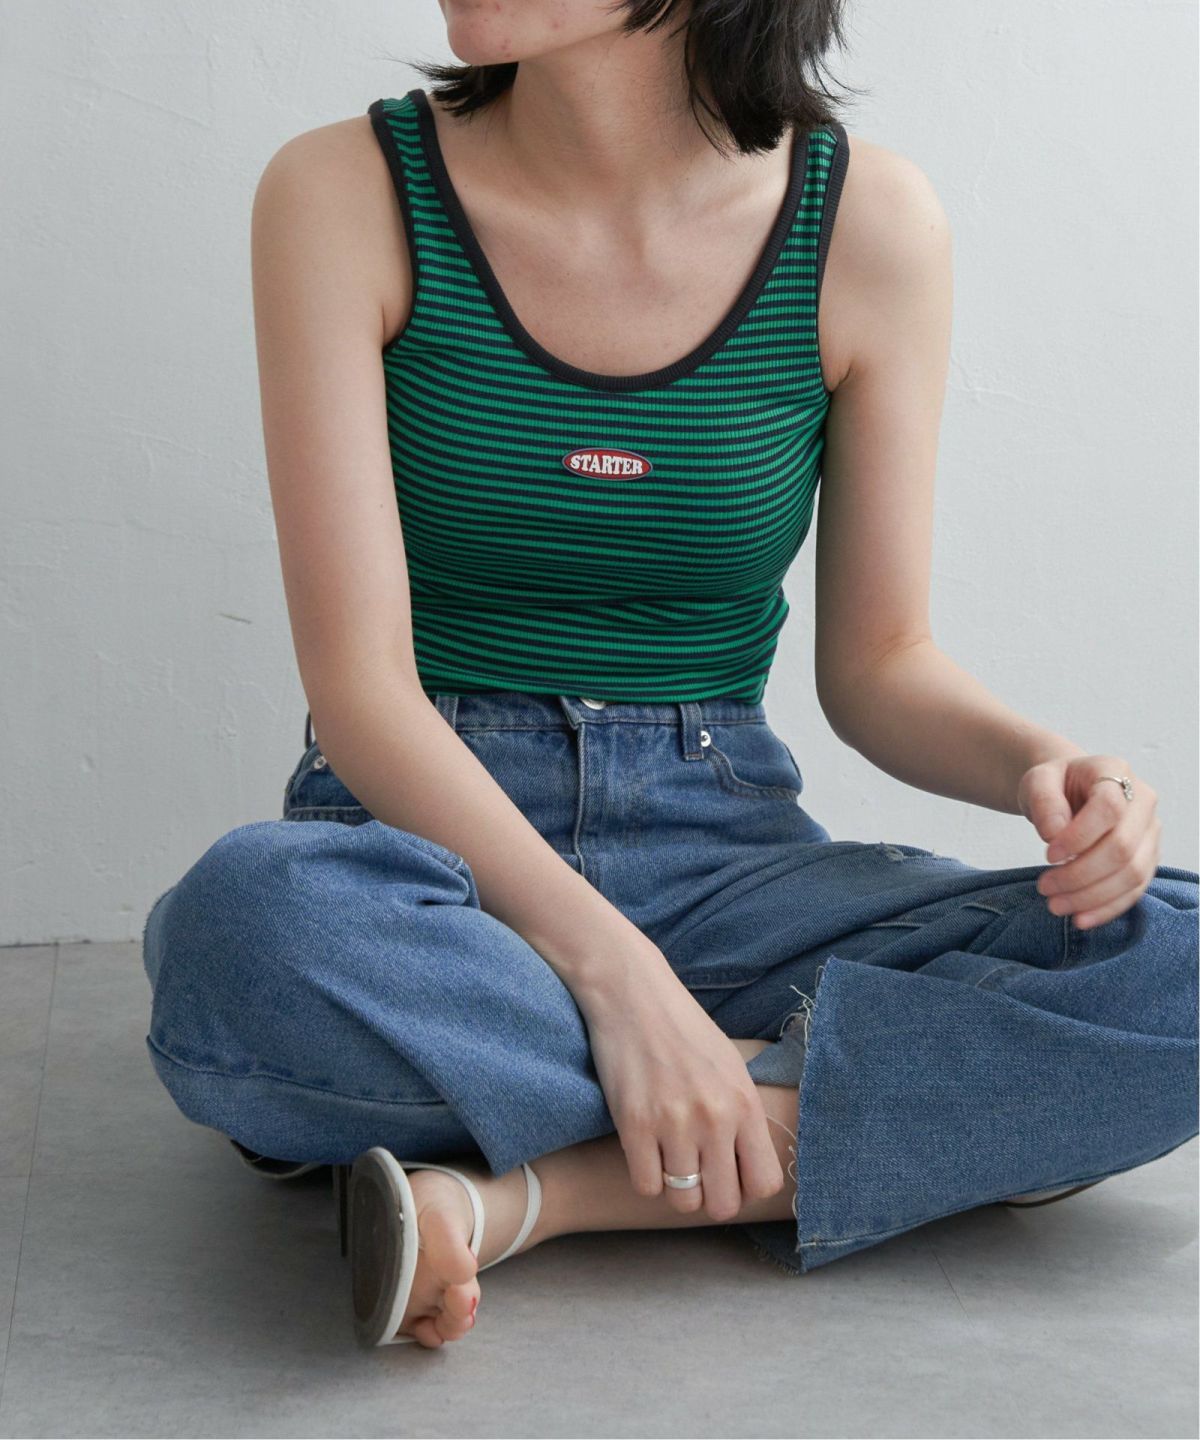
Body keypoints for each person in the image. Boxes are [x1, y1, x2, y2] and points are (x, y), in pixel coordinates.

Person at [141, 0, 1199, 1351]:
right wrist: (621, 981)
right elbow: (361, 691)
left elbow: (881, 665)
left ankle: (526, 1193)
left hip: (724, 852)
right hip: (432, 853)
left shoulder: (866, 226)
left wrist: (1044, 765)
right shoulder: (344, 192)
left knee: (1177, 954)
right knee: (247, 928)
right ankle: (882, 1110)